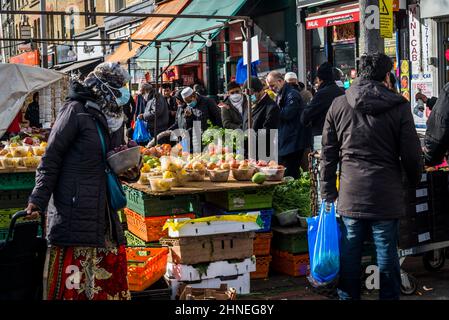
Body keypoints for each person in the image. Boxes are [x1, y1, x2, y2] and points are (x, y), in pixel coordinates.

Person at [26, 62, 140, 300]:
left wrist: (131, 170)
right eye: (118, 87)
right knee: (76, 285)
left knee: (106, 283)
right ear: (103, 87)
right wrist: (37, 199)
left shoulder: (116, 116)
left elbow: (115, 157)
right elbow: (51, 158)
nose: (123, 92)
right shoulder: (75, 110)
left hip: (105, 210)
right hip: (75, 209)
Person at [320, 53, 423, 300]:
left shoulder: (338, 104)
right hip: (386, 194)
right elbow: (411, 153)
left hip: (351, 193)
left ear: (359, 73)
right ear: (387, 76)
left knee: (350, 254)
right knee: (387, 253)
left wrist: (328, 191)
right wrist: (414, 179)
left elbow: (328, 153)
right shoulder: (399, 106)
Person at [266, 71, 308, 179]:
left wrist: (273, 109)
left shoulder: (292, 94)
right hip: (287, 140)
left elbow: (288, 114)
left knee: (290, 172)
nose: (271, 88)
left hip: (293, 141)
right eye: (269, 86)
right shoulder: (281, 94)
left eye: (272, 85)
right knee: (286, 171)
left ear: (280, 81)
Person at [301, 62, 345, 139]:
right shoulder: (341, 92)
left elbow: (305, 117)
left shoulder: (321, 94)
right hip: (340, 135)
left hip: (322, 135)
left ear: (320, 79)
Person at [243, 76, 280, 159]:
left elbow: (266, 133)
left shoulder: (271, 107)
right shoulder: (248, 105)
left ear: (260, 91)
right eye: (246, 95)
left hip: (263, 155)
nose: (249, 97)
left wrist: (246, 141)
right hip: (247, 154)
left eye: (251, 94)